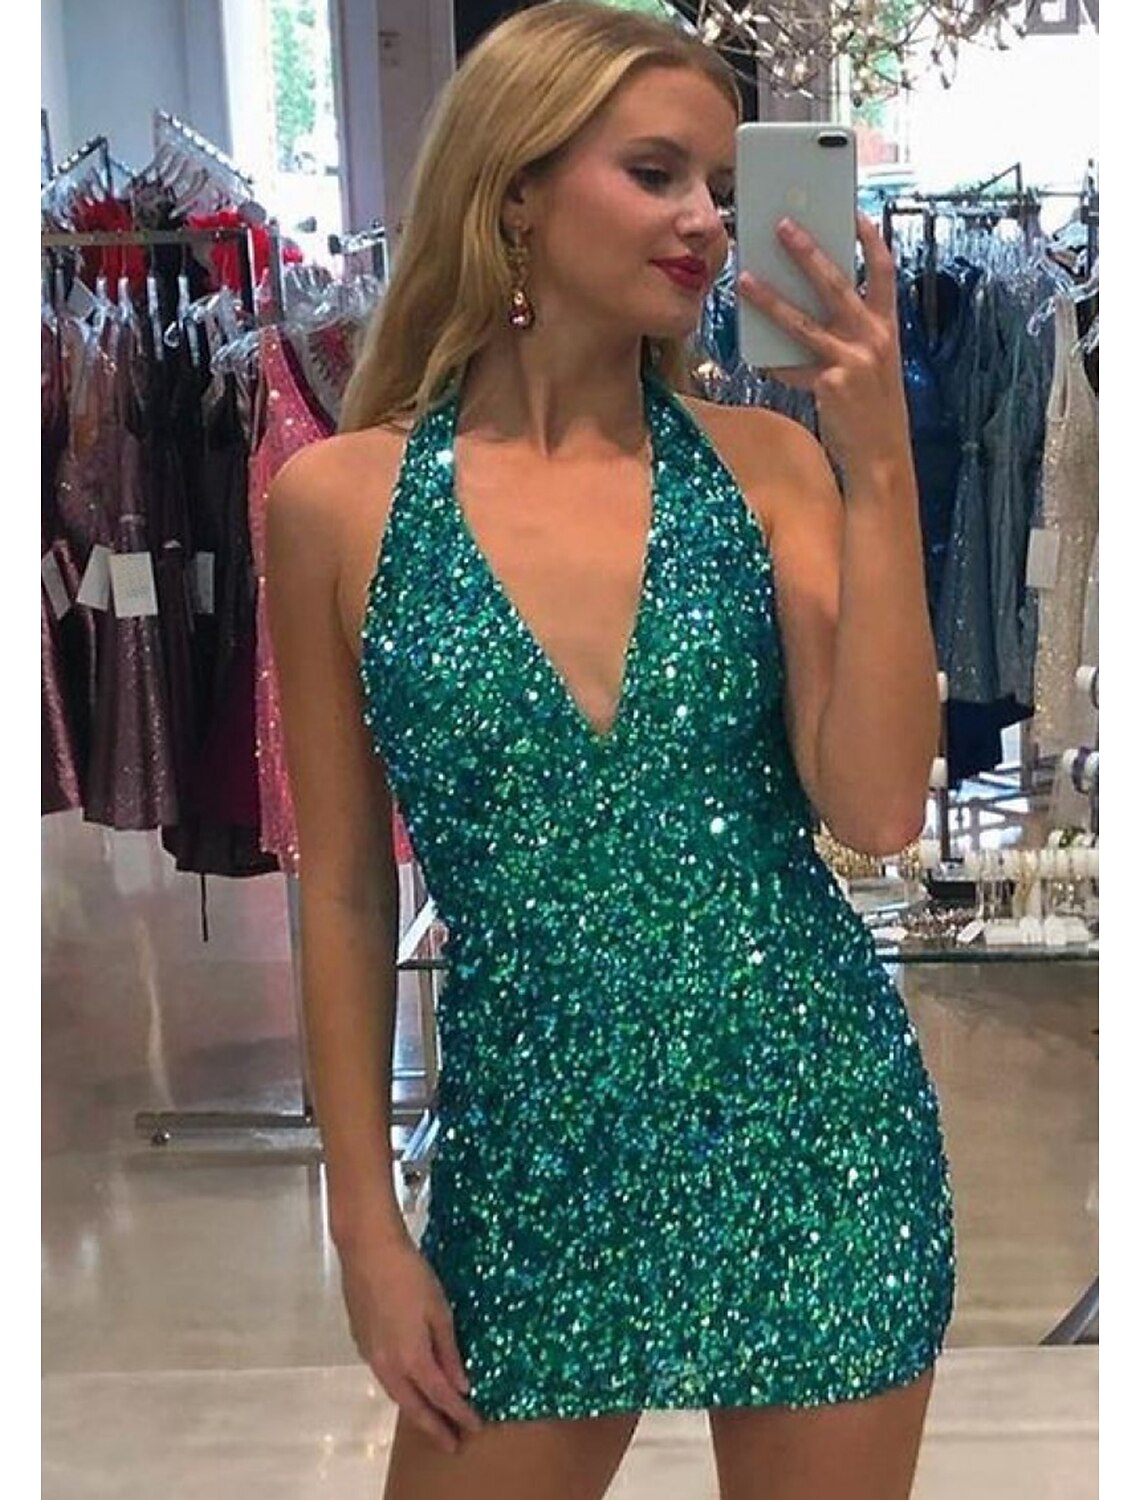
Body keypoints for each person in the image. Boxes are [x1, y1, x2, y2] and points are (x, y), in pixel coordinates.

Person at [265, 4, 956, 1497]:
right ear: (515, 188)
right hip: (531, 1163)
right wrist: (365, 1226)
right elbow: (345, 894)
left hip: (815, 1135)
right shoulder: (336, 504)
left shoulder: (768, 467)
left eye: (721, 185)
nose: (707, 219)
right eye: (657, 173)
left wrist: (878, 462)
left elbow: (877, 808)